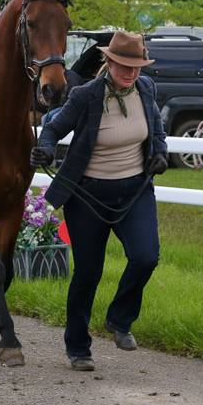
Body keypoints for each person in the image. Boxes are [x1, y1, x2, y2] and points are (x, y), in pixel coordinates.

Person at [30, 30, 167, 372]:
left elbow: (157, 131)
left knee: (146, 256)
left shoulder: (146, 89)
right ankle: (78, 347)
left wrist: (160, 154)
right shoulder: (86, 95)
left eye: (136, 67)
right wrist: (45, 148)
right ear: (109, 61)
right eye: (123, 66)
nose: (130, 73)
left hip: (134, 192)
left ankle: (119, 319)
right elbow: (52, 129)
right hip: (88, 195)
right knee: (88, 272)